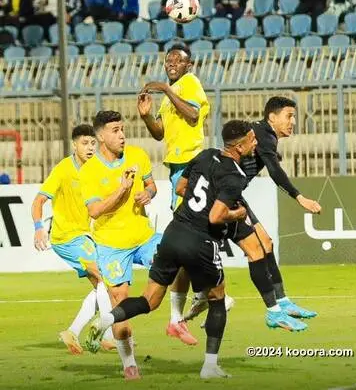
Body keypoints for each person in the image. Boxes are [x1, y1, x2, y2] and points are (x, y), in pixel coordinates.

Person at [85, 120, 257, 379]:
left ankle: (108, 319)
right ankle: (210, 366)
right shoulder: (237, 176)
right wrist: (238, 213)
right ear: (240, 146)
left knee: (149, 300)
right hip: (200, 241)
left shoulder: (206, 154)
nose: (255, 143)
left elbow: (179, 187)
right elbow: (216, 217)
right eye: (252, 140)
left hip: (174, 232)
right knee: (218, 298)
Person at [181, 97, 321, 331]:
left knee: (266, 243)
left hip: (231, 196)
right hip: (224, 200)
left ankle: (281, 302)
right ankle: (272, 310)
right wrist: (299, 197)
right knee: (256, 249)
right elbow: (275, 171)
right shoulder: (264, 135)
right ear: (272, 117)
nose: (293, 121)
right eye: (289, 116)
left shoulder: (262, 134)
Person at [137, 42, 219, 346]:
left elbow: (194, 115)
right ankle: (193, 303)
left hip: (192, 162)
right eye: (168, 59)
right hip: (177, 167)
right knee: (190, 234)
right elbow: (161, 133)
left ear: (189, 65)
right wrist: (147, 116)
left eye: (178, 59)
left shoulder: (189, 84)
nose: (171, 62)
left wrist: (166, 89)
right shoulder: (171, 93)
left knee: (190, 231)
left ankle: (200, 296)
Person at [79, 110, 162, 380]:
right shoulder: (90, 171)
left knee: (178, 257)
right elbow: (94, 211)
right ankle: (129, 365)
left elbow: (152, 185)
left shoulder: (137, 155)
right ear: (101, 136)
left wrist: (146, 193)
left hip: (144, 237)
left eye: (122, 128)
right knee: (120, 302)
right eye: (115, 130)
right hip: (112, 245)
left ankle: (181, 313)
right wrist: (123, 190)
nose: (122, 134)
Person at [30, 124, 115, 355]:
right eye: (85, 143)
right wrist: (39, 228)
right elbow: (38, 201)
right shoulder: (63, 170)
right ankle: (107, 335)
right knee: (103, 278)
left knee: (103, 284)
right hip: (67, 237)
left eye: (92, 143)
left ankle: (74, 332)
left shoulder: (95, 170)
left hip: (86, 235)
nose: (89, 148)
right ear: (74, 145)